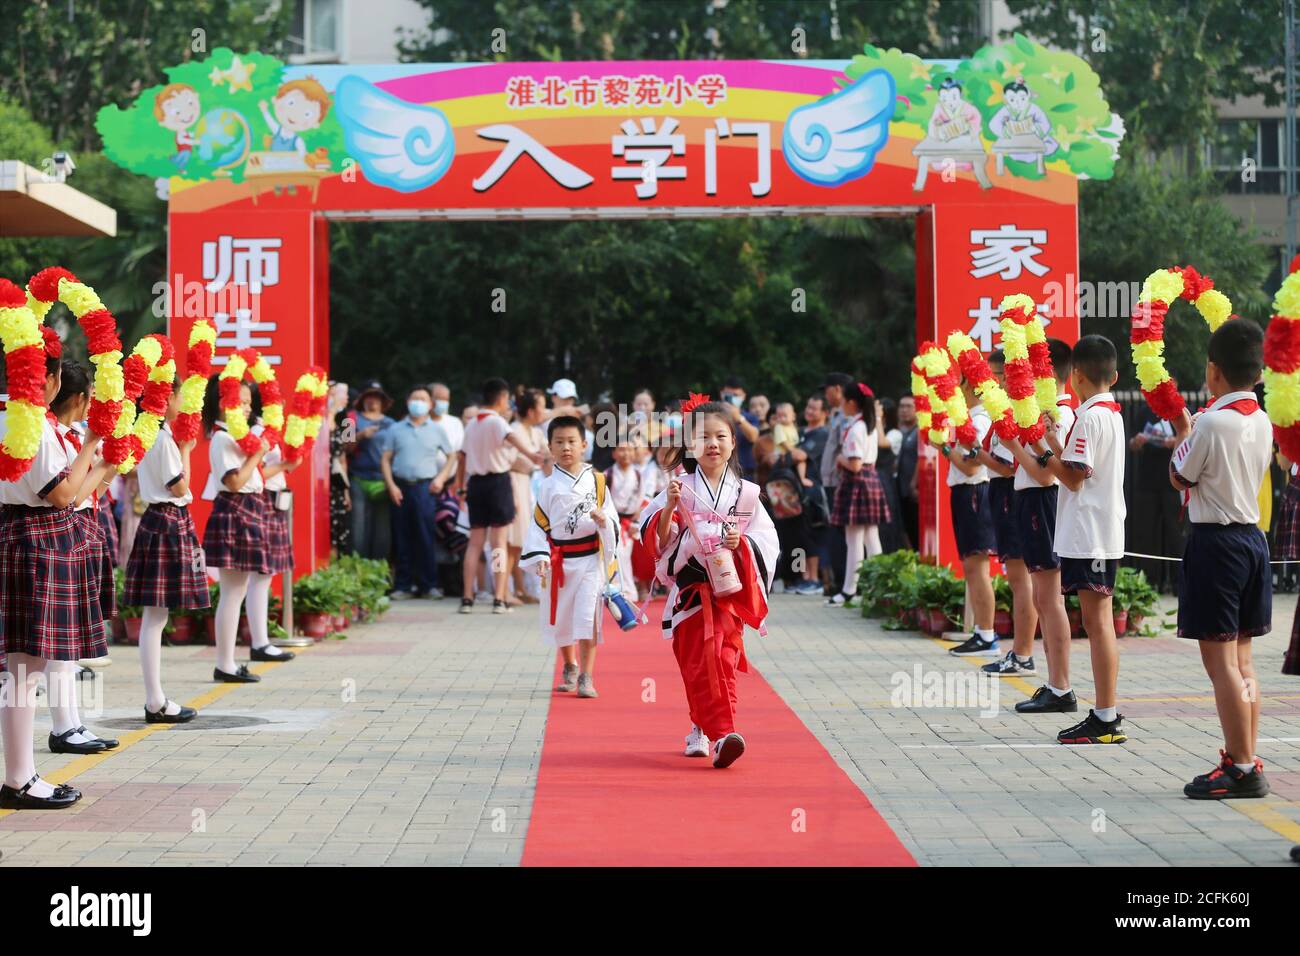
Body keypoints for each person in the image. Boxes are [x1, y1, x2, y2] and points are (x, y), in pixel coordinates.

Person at [0, 327, 106, 809]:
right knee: (25, 670)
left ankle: (22, 774)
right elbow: (63, 495)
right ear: (49, 378)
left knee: (24, 668)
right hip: (38, 540)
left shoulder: (10, 417)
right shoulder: (33, 425)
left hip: (20, 534)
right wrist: (92, 447)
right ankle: (20, 778)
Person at [642, 398, 779, 768]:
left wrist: (743, 544)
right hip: (690, 592)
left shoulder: (747, 494)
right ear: (691, 445)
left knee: (721, 658)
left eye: (721, 436)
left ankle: (722, 735)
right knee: (696, 664)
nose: (713, 444)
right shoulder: (678, 487)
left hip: (728, 593)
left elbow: (768, 541)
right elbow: (657, 540)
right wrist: (670, 509)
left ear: (733, 442)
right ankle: (700, 728)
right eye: (703, 437)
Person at [1170, 320, 1273, 796]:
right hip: (1253, 541)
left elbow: (1179, 474)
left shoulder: (1211, 421)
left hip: (1217, 545)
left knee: (1221, 665)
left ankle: (1240, 766)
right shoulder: (1263, 419)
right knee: (1244, 661)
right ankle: (1247, 756)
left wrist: (1185, 431)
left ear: (1214, 371)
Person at [1030, 335, 1127, 744]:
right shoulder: (1110, 413)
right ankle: (1104, 713)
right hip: (1098, 532)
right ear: (1115, 375)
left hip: (1092, 535)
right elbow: (1076, 464)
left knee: (1098, 623)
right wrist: (1054, 443)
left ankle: (1105, 715)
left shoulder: (1090, 417)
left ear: (1075, 377)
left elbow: (1072, 477)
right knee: (1096, 621)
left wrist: (1041, 454)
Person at [123, 375, 207, 724]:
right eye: (179, 395)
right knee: (156, 616)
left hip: (159, 521)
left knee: (156, 616)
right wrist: (186, 450)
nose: (183, 401)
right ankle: (155, 700)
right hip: (166, 520)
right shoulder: (162, 439)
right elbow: (180, 486)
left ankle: (155, 698)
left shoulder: (151, 434)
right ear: (168, 396)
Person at [200, 375, 295, 683]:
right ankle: (224, 663)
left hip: (250, 509)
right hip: (235, 511)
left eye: (247, 403)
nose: (244, 409)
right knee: (232, 592)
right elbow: (234, 482)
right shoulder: (221, 438)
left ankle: (229, 661)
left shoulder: (234, 438)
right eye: (239, 402)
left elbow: (253, 478)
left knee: (237, 591)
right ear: (222, 403)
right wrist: (258, 453)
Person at [520, 415, 622, 699]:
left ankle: (587, 675)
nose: (566, 448)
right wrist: (539, 555)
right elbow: (538, 524)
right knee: (561, 616)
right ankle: (569, 665)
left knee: (588, 617)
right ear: (550, 447)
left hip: (590, 559)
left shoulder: (598, 481)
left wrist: (604, 522)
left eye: (571, 442)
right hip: (559, 561)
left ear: (584, 444)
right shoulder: (547, 485)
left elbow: (612, 519)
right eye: (559, 442)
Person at [46, 359, 119, 754]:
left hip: (79, 530)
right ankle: (63, 727)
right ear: (79, 398)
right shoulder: (57, 436)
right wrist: (102, 459)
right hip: (59, 534)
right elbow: (70, 495)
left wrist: (108, 467)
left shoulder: (70, 435)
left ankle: (71, 723)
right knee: (57, 641)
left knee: (67, 639)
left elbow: (90, 492)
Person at [1002, 341, 1079, 697]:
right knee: (1042, 597)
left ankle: (1060, 685)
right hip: (1033, 502)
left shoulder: (1058, 415)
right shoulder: (1047, 411)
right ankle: (1054, 682)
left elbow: (1049, 475)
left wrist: (1017, 446)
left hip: (1043, 502)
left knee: (1049, 598)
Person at [972, 349, 1037, 679]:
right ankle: (1019, 651)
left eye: (996, 376)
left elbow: (1009, 466)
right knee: (1017, 579)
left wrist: (978, 455)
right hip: (1002, 493)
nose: (990, 383)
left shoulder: (1014, 411)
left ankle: (1023, 653)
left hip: (1012, 493)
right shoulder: (1001, 410)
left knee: (1020, 579)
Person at [458, 378, 545, 613]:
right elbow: (512, 438)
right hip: (497, 482)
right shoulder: (496, 422)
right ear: (502, 398)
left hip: (475, 484)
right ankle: (499, 597)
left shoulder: (472, 423)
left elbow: (462, 456)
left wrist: (459, 486)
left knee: (475, 542)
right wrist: (532, 454)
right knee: (498, 543)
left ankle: (467, 598)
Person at [932, 376, 999, 656]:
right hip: (964, 492)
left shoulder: (980, 420)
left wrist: (944, 448)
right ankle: (981, 632)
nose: (958, 392)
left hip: (974, 492)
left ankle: (987, 635)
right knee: (971, 567)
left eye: (960, 386)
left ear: (970, 388)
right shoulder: (969, 418)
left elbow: (971, 467)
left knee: (978, 567)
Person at [381, 386, 457, 600]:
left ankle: (429, 585)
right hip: (400, 487)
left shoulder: (437, 429)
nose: (418, 402)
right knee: (401, 536)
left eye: (423, 399)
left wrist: (441, 478)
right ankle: (403, 586)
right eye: (415, 398)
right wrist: (391, 486)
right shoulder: (395, 429)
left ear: (430, 405)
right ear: (407, 402)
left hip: (425, 487)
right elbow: (385, 459)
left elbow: (452, 456)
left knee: (425, 536)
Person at [827, 382, 890, 606]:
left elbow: (854, 464)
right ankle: (880, 588)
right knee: (871, 538)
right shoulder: (868, 424)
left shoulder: (856, 428)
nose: (842, 404)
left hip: (857, 481)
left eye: (844, 400)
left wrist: (839, 459)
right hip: (869, 480)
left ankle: (849, 590)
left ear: (852, 403)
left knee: (853, 540)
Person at [1128, 408, 1183, 591]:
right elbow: (1132, 444)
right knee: (1148, 532)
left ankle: (1177, 581)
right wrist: (1138, 441)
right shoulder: (1144, 413)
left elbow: (1189, 438)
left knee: (1174, 531)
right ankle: (1150, 581)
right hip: (1148, 480)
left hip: (1172, 482)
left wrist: (1176, 441)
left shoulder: (1180, 411)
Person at [507, 388, 548, 604]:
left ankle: (520, 589)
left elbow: (548, 456)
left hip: (528, 483)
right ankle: (506, 590)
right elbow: (506, 462)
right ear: (531, 410)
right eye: (541, 406)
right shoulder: (514, 430)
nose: (544, 410)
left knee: (520, 540)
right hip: (513, 482)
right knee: (510, 540)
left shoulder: (537, 432)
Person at [347, 380, 396, 561]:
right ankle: (356, 569)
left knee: (383, 530)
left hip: (383, 481)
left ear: (383, 401)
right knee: (358, 527)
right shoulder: (350, 417)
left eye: (377, 397)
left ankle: (380, 571)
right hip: (358, 478)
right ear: (362, 399)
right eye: (369, 396)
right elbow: (342, 448)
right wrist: (360, 436)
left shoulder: (392, 424)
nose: (373, 400)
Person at [819, 372, 853, 592]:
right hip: (832, 481)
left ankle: (844, 583)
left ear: (838, 389)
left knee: (841, 534)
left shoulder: (847, 416)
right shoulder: (836, 414)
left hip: (840, 481)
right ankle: (841, 581)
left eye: (827, 389)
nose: (825, 394)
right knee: (837, 533)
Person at [794, 394, 831, 594]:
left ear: (824, 413)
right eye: (808, 406)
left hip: (814, 491)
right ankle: (803, 577)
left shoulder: (822, 434)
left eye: (814, 408)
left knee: (813, 535)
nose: (809, 411)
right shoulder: (801, 432)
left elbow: (799, 455)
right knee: (800, 535)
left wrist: (785, 453)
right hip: (797, 491)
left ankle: (815, 579)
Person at [605, 441, 643, 603]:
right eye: (621, 449)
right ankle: (616, 589)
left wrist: (637, 522)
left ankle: (627, 590)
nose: (625, 453)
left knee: (625, 556)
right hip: (612, 521)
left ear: (634, 453)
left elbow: (642, 500)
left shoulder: (638, 474)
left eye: (629, 450)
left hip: (629, 522)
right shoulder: (608, 475)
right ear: (614, 453)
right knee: (614, 554)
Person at [327, 381, 352, 555]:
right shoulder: (322, 418)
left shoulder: (347, 419)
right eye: (342, 393)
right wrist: (332, 410)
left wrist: (346, 490)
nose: (345, 398)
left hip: (337, 479)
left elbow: (347, 450)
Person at [720, 378, 761, 481]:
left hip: (744, 475)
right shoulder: (711, 416)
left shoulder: (750, 418)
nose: (732, 398)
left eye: (736, 395)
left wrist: (738, 418)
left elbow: (754, 437)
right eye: (728, 395)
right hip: (718, 473)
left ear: (743, 396)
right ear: (722, 394)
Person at [895, 395, 920, 550]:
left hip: (915, 489)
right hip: (901, 487)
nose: (904, 410)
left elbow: (921, 458)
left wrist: (914, 482)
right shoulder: (900, 432)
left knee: (916, 527)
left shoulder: (919, 431)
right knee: (905, 527)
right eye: (901, 406)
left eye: (908, 406)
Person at [427, 381, 464, 452]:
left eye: (446, 399)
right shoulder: (420, 423)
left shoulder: (455, 423)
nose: (443, 402)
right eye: (439, 399)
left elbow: (459, 451)